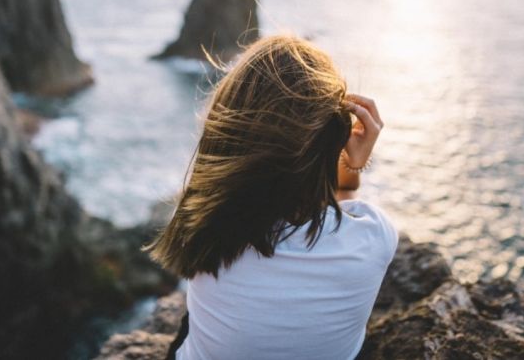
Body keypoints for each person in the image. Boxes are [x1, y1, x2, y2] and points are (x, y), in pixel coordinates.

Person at [145, 35, 398, 360]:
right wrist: (352, 166)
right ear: (332, 141)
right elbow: (345, 200)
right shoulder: (375, 236)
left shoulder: (201, 228)